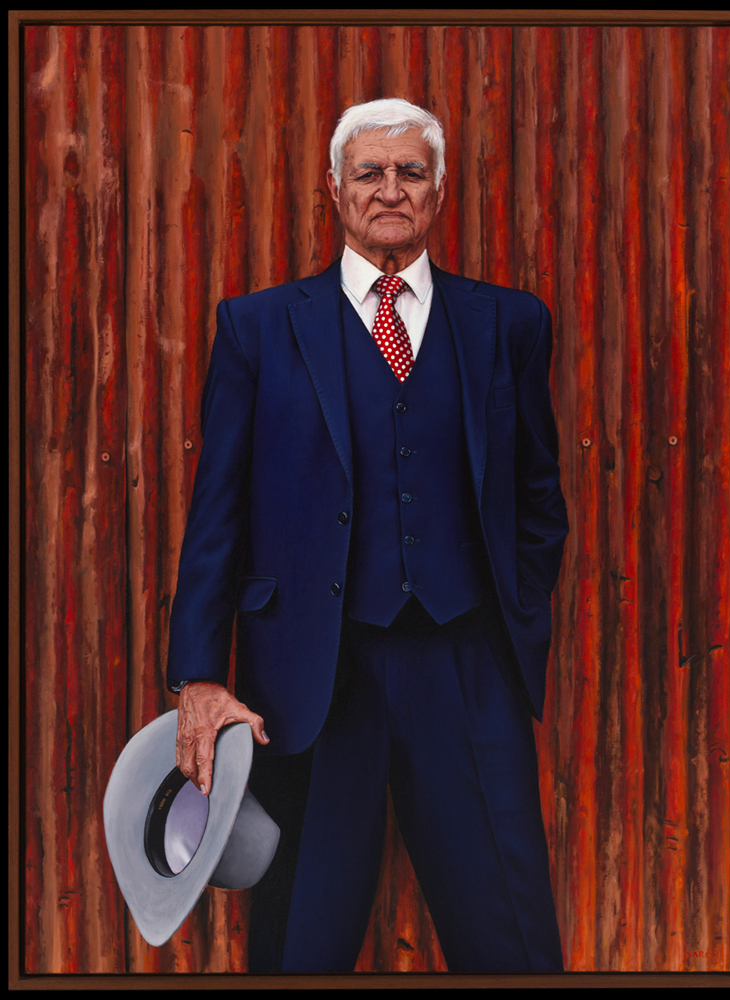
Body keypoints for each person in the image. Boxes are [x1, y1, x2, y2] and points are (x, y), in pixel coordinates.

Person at [166, 98, 569, 974]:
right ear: (335, 189)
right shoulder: (259, 328)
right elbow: (217, 515)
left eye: (411, 172)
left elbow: (540, 495)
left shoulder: (510, 325)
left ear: (439, 189)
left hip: (465, 666)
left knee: (513, 941)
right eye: (370, 172)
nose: (391, 189)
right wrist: (199, 674)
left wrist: (513, 611)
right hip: (311, 679)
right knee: (298, 945)